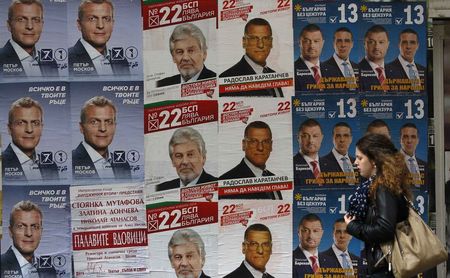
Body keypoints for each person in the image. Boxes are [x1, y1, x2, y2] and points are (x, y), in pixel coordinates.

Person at [345, 133, 411, 277]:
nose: (355, 162)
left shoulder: (383, 187)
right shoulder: (381, 185)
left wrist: (353, 226)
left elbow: (385, 229)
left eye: (360, 158)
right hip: (385, 267)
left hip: (387, 269)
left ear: (374, 160)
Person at [219, 18, 283, 97]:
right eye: (254, 39)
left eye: (265, 38)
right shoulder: (227, 78)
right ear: (244, 42)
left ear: (271, 42)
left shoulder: (274, 75)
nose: (260, 45)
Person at [72, 96, 131, 181]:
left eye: (109, 122)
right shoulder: (71, 162)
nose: (103, 128)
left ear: (115, 126)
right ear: (81, 127)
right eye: (94, 122)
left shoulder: (123, 164)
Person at [220, 121, 281, 199]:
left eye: (265, 142)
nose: (260, 148)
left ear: (271, 145)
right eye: (254, 141)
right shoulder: (226, 182)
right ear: (244, 145)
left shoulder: (273, 178)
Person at [2, 97, 59, 182]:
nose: (29, 130)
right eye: (21, 123)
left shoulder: (51, 165)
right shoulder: (2, 163)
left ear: (41, 127)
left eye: (35, 123)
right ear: (9, 128)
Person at [68, 0, 129, 76]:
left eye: (106, 19)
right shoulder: (67, 59)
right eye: (92, 19)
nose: (100, 26)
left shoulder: (121, 61)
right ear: (79, 24)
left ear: (112, 24)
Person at [0, 0, 58, 77]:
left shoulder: (50, 62)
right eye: (21, 19)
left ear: (42, 25)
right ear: (9, 25)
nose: (30, 26)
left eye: (36, 20)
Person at [1, 200, 56, 278]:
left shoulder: (49, 269)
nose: (29, 233)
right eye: (21, 226)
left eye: (35, 227)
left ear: (41, 232)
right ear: (11, 231)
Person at [156, 127, 216, 191]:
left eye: (190, 155)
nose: (185, 162)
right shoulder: (160, 189)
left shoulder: (218, 185)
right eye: (179, 156)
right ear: (173, 161)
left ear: (203, 158)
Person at [156, 23, 216, 87]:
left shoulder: (217, 81)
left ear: (204, 54)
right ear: (173, 57)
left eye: (191, 51)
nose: (185, 58)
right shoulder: (161, 85)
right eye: (180, 52)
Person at [293, 119, 330, 186]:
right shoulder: (291, 165)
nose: (311, 141)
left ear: (321, 138)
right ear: (298, 138)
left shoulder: (330, 166)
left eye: (315, 136)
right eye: (305, 136)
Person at [294, 24, 326, 92]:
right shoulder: (292, 71)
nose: (312, 46)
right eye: (307, 41)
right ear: (299, 43)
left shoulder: (332, 71)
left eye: (316, 41)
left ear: (322, 43)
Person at [359, 25, 391, 92]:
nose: (376, 47)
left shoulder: (395, 72)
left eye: (381, 42)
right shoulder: (355, 73)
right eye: (371, 42)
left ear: (388, 45)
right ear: (365, 44)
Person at [400, 123, 426, 187]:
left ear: (418, 141)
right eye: (406, 137)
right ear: (400, 140)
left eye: (413, 137)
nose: (409, 141)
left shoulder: (425, 165)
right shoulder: (391, 163)